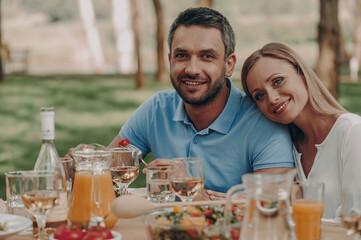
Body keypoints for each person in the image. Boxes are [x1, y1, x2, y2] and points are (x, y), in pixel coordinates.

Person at [106, 8, 295, 200]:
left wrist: (190, 189)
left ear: (228, 65)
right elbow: (107, 171)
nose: (192, 69)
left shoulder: (263, 124)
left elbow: (271, 208)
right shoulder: (156, 109)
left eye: (207, 56)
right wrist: (85, 164)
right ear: (170, 60)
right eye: (182, 55)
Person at [241, 42, 361, 218]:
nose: (272, 98)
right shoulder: (285, 148)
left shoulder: (352, 131)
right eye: (260, 95)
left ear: (302, 74)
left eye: (277, 81)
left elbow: (355, 222)